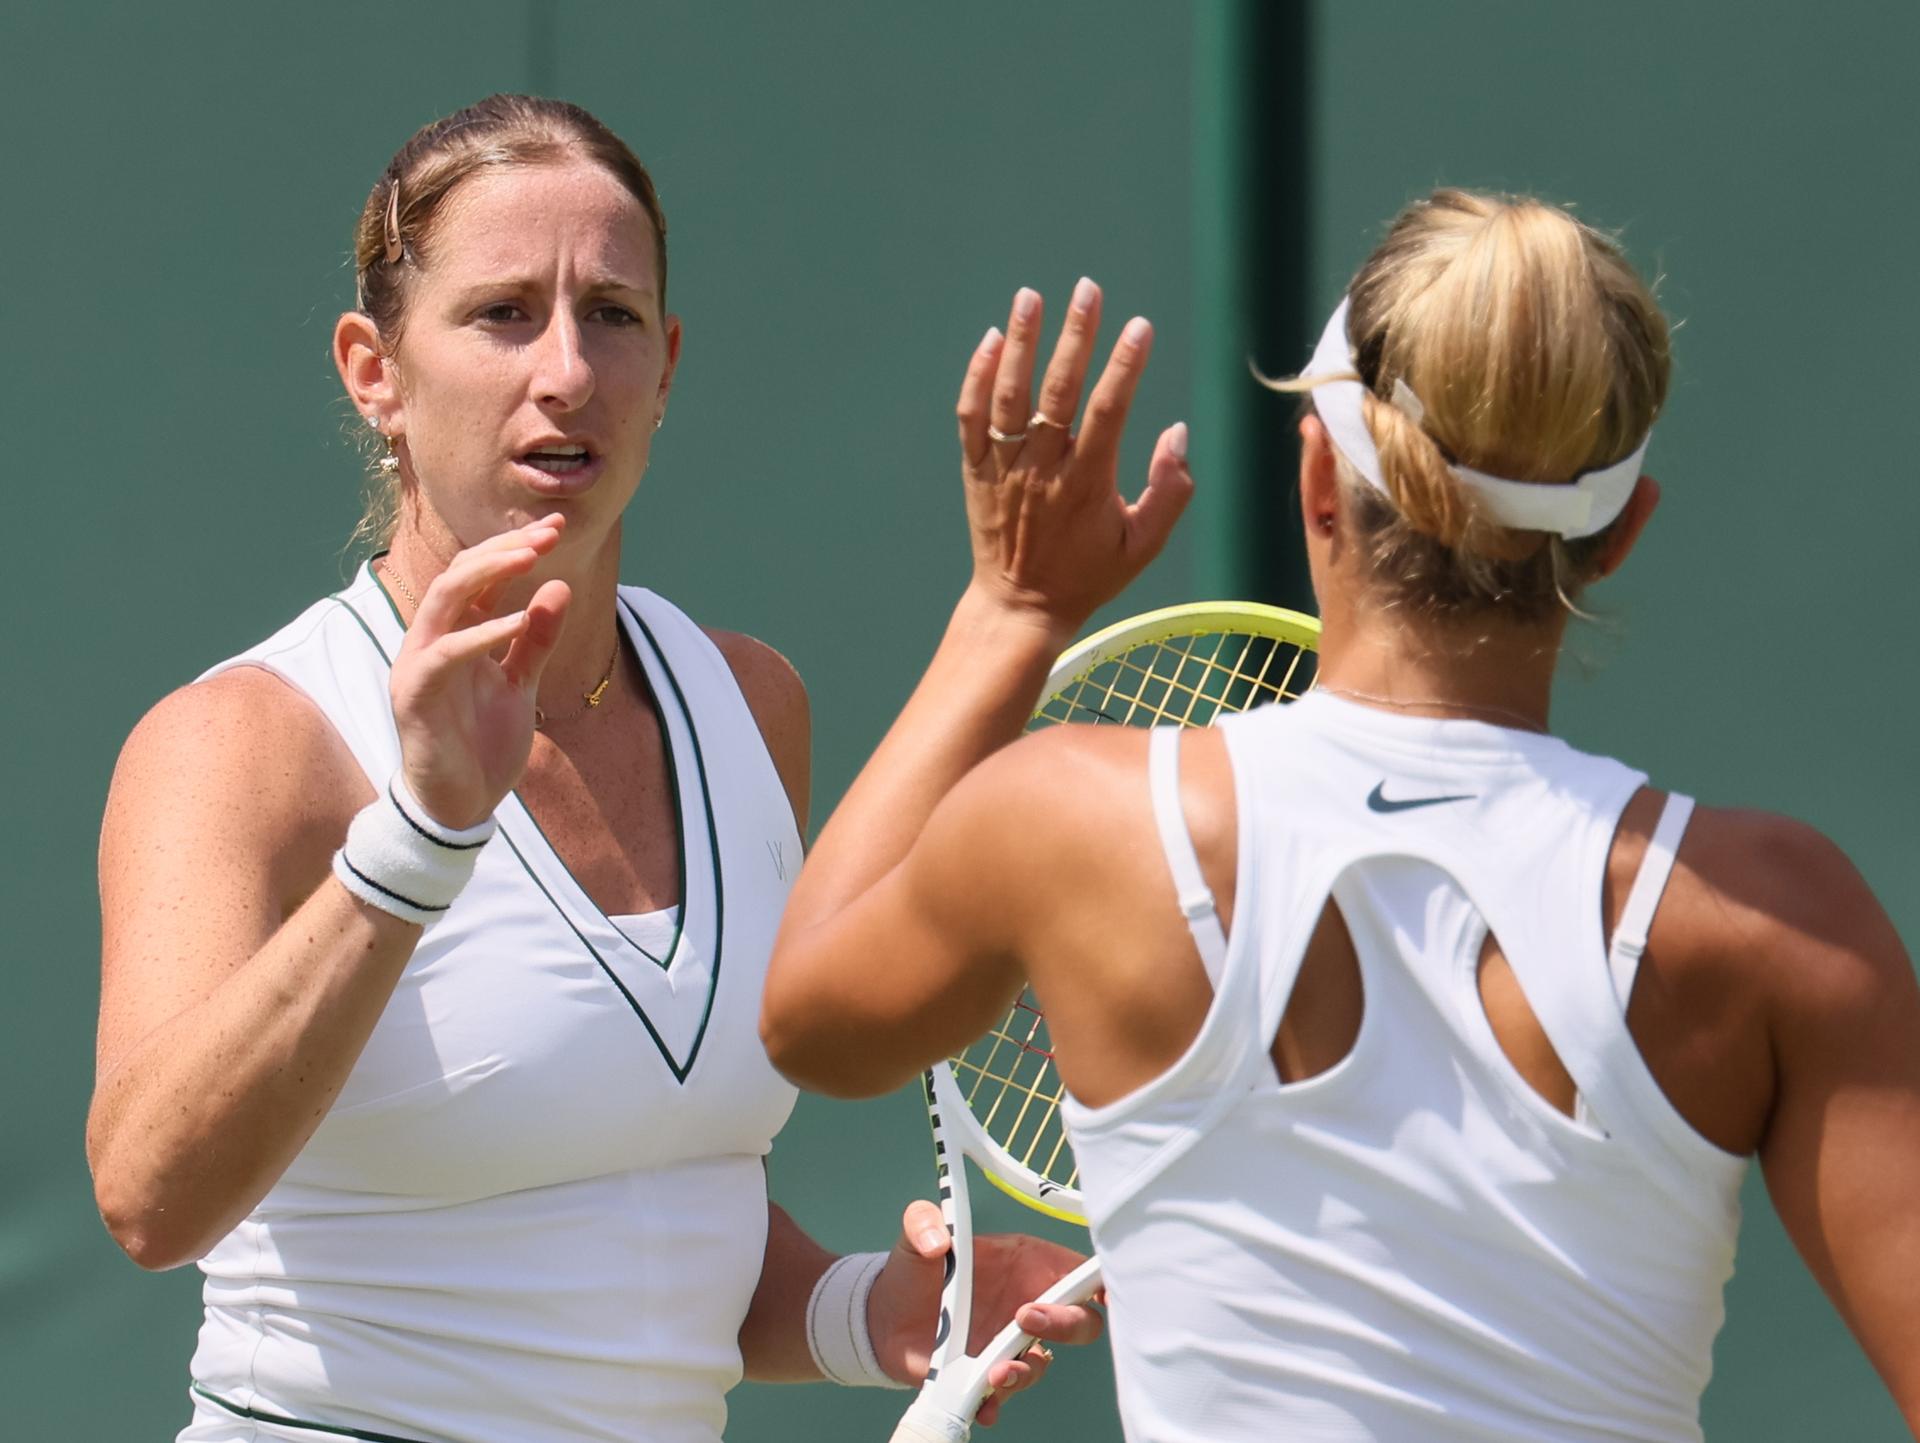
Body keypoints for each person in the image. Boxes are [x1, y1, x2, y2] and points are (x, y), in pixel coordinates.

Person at [759, 188, 1920, 1441]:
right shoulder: (1786, 925)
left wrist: (1011, 610)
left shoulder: (1068, 824)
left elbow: (808, 1021)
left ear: (1320, 477)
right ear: (1622, 531)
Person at [87, 94, 1100, 1443]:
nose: (567, 367)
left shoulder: (751, 703)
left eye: (613, 315)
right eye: (503, 311)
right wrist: (421, 836)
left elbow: (656, 1219)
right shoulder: (241, 742)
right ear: (373, 369)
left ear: (667, 366)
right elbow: (150, 1193)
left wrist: (874, 1310)